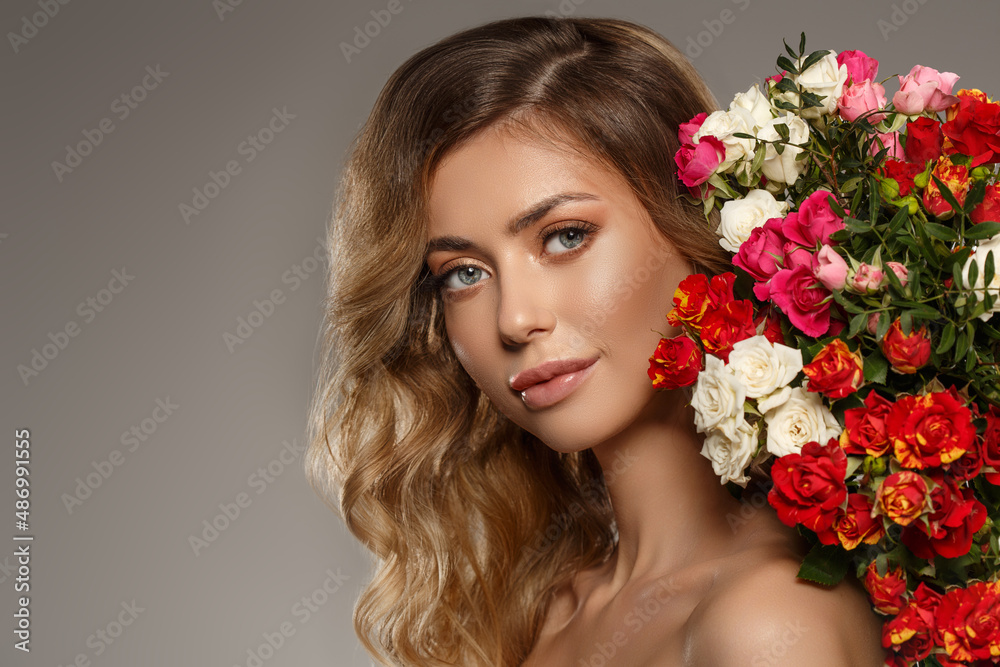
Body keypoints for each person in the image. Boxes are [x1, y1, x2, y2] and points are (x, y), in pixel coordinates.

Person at [307, 16, 884, 666]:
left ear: (695, 226)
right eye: (463, 273)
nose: (514, 319)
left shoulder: (768, 621)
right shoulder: (547, 609)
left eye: (565, 235)